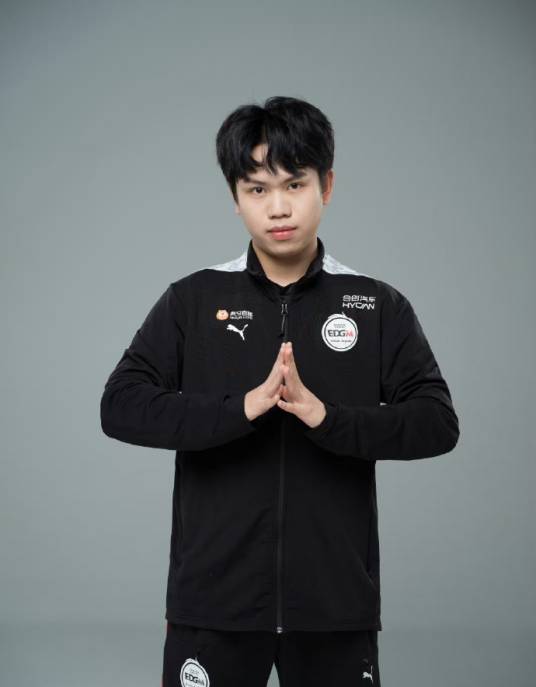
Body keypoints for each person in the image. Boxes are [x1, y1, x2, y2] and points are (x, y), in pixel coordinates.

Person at [100, 95, 460, 687]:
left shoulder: (377, 304)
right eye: (257, 189)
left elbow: (437, 423)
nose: (279, 207)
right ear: (235, 198)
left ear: (327, 186)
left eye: (295, 184)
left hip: (335, 608)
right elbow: (120, 405)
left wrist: (327, 419)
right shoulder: (193, 299)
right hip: (212, 606)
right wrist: (241, 409)